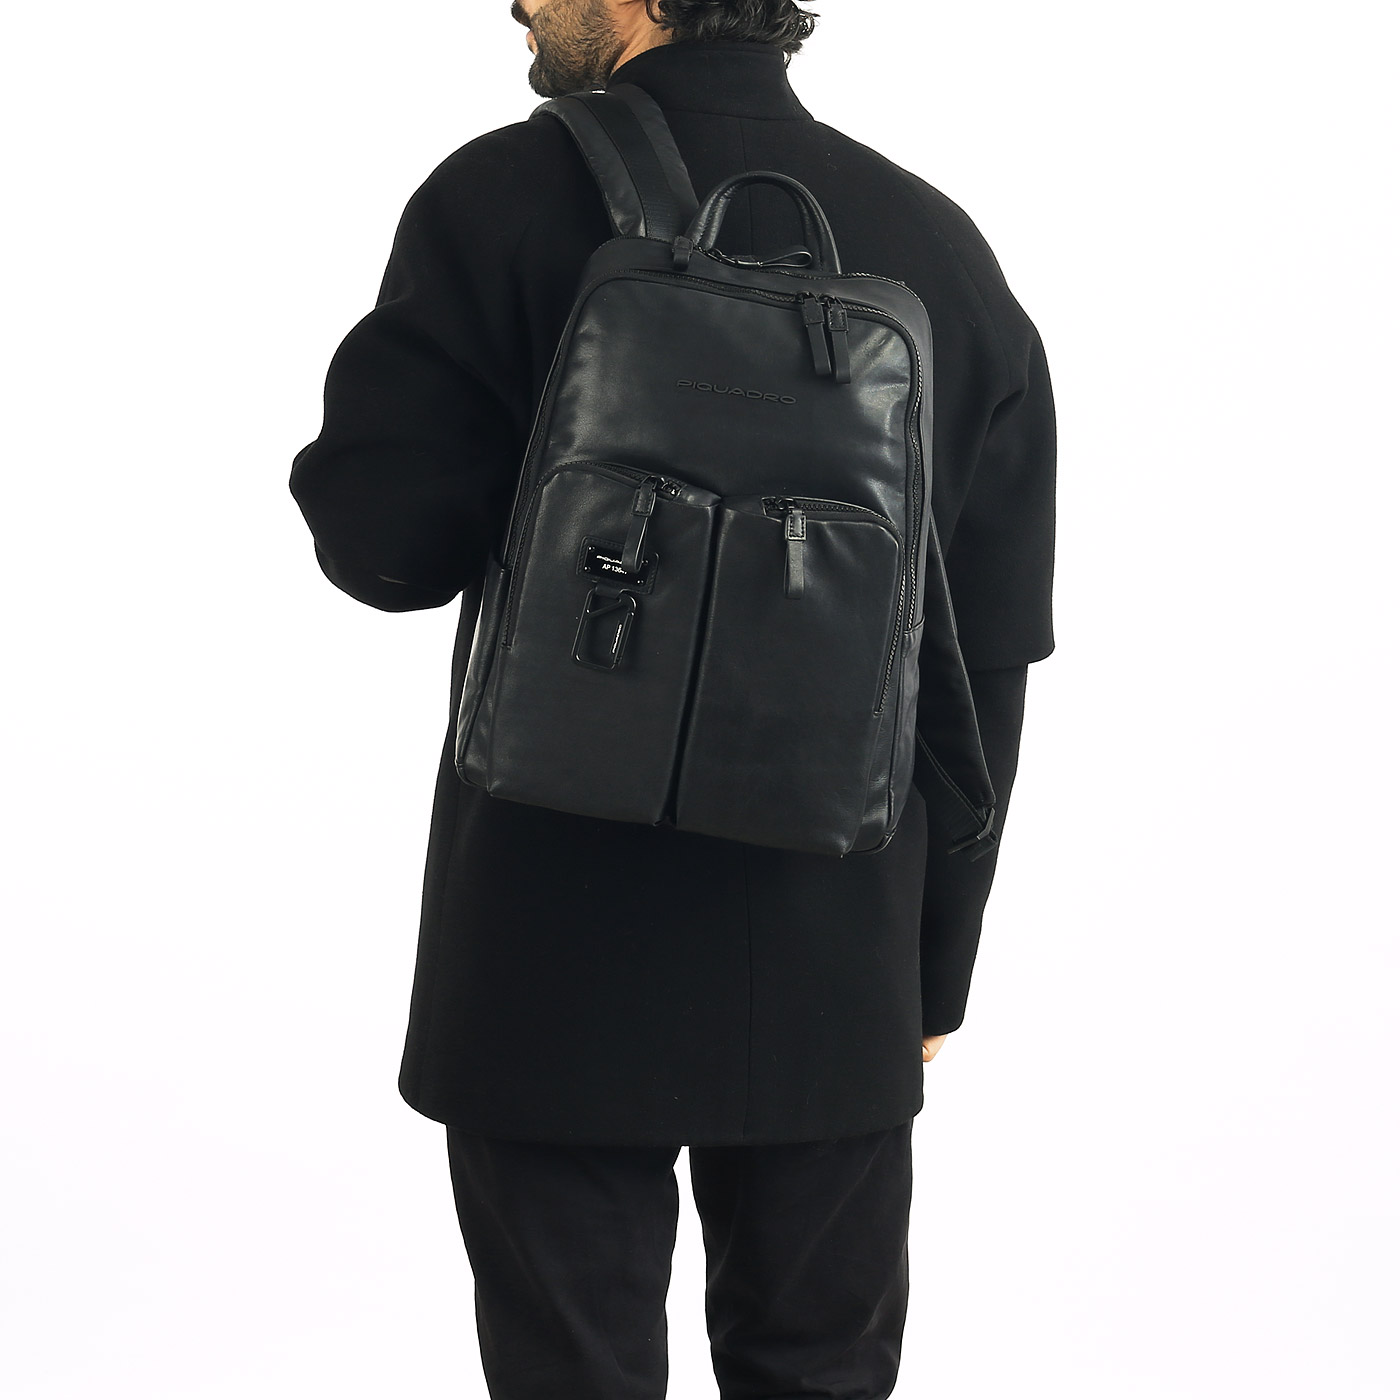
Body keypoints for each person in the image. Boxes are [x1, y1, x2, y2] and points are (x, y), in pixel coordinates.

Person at [289, 2, 1056, 1395]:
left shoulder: (500, 197)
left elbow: (383, 552)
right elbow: (983, 663)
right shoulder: (940, 244)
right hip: (836, 950)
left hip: (548, 941)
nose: (520, 1)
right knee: (818, 1372)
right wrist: (932, 967)